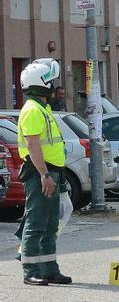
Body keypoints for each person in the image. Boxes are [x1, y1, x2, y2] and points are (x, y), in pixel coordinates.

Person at [16, 59, 72, 285]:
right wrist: (44, 175)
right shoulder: (32, 110)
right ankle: (30, 270)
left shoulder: (42, 109)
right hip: (41, 174)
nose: (54, 86)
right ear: (40, 84)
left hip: (53, 172)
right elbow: (33, 145)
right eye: (50, 81)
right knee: (37, 221)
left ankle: (49, 268)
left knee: (50, 223)